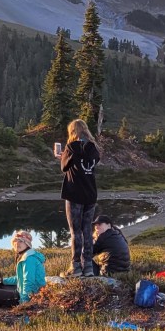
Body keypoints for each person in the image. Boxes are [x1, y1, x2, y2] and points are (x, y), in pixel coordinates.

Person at [59, 117, 101, 277]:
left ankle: (76, 267)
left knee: (75, 231)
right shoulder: (93, 147)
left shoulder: (71, 147)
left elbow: (64, 167)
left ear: (72, 131)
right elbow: (94, 161)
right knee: (87, 230)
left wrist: (62, 156)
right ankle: (88, 266)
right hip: (90, 194)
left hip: (74, 194)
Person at [0, 230, 47, 302]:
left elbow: (29, 282)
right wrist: (4, 281)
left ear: (27, 244)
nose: (17, 243)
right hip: (28, 292)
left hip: (32, 296)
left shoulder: (28, 259)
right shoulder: (26, 255)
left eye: (21, 241)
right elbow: (20, 278)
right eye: (16, 241)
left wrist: (24, 302)